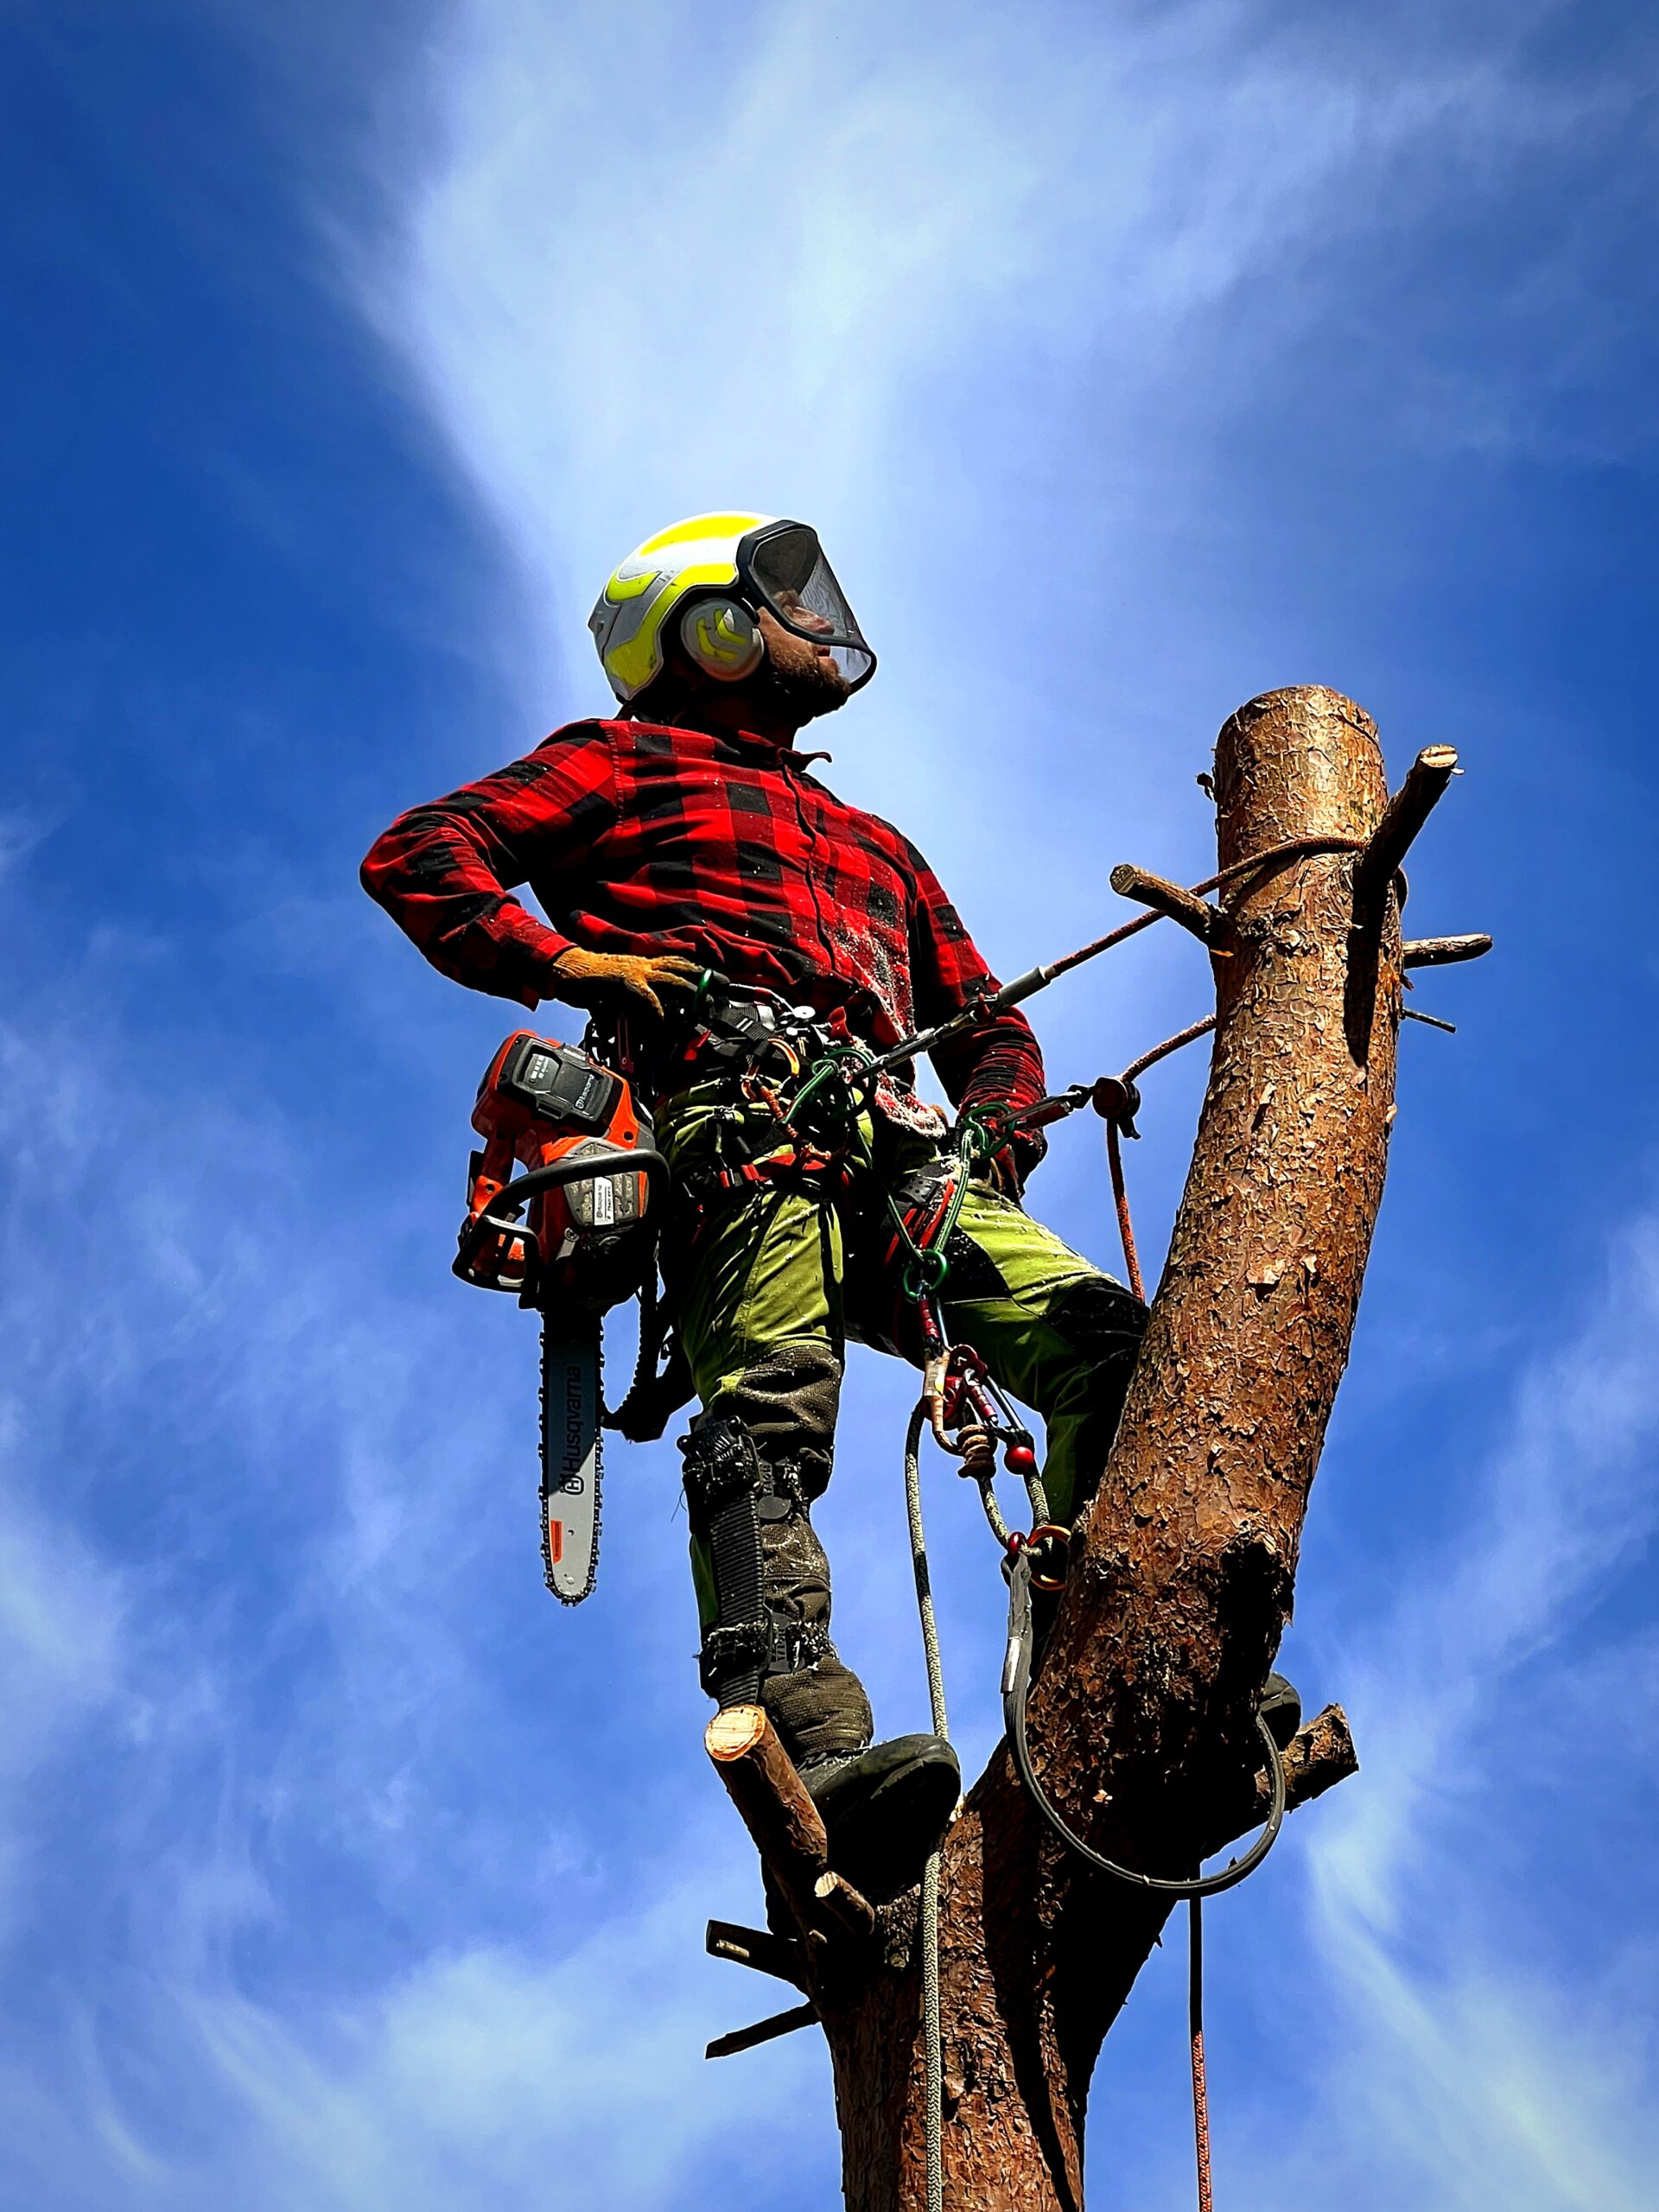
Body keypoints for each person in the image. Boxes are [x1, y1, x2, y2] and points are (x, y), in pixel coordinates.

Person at [361, 512, 1158, 1897]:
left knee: (1112, 1348)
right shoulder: (616, 762)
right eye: (780, 600)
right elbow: (424, 853)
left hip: (907, 1148)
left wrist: (996, 1135)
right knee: (766, 1422)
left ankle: (1126, 1674)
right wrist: (580, 965)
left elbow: (987, 1027)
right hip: (749, 1129)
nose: (814, 619)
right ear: (709, 629)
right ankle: (812, 1736)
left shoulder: (874, 844)